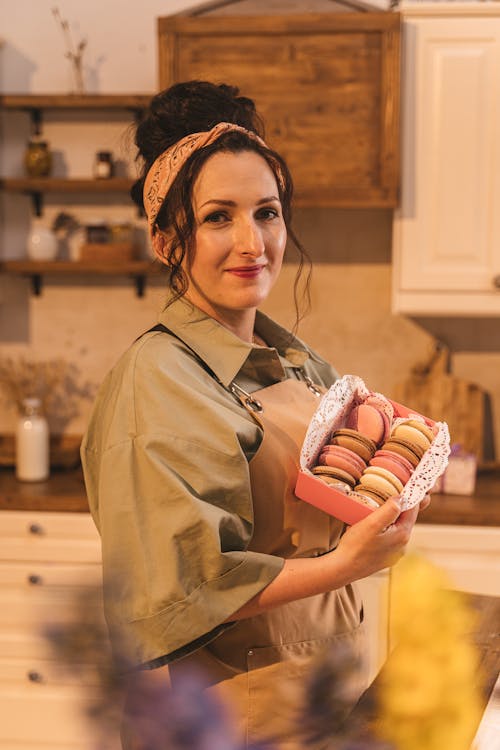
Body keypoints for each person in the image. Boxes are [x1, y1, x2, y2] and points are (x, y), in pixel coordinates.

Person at [81, 80, 428, 750]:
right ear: (163, 239)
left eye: (266, 212)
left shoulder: (293, 360)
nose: (252, 242)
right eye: (218, 217)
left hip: (320, 697)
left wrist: (394, 492)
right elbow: (179, 589)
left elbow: (340, 501)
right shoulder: (158, 382)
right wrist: (348, 565)